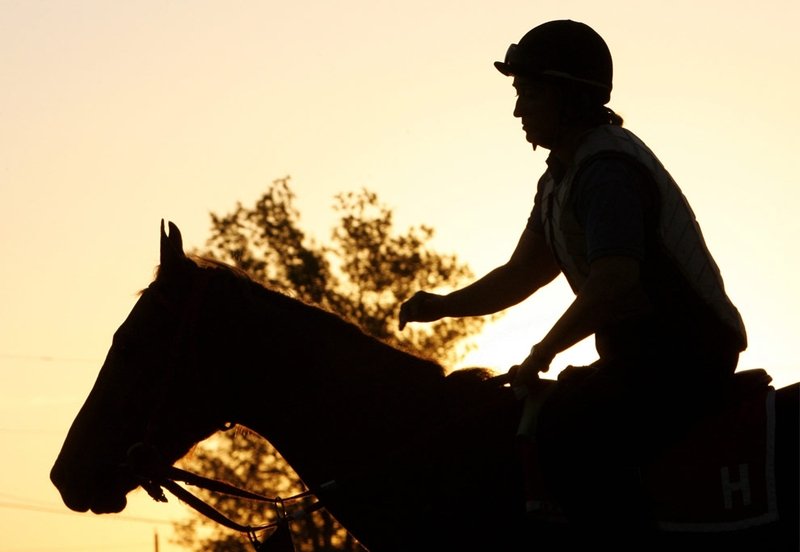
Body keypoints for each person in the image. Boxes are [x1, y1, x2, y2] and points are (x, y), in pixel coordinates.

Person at [398, 19, 747, 548]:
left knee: (573, 437)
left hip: (685, 353)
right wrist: (446, 305)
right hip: (640, 356)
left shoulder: (606, 172)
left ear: (567, 96)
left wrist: (542, 352)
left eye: (528, 94)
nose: (518, 111)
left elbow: (612, 280)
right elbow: (520, 275)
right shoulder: (560, 177)